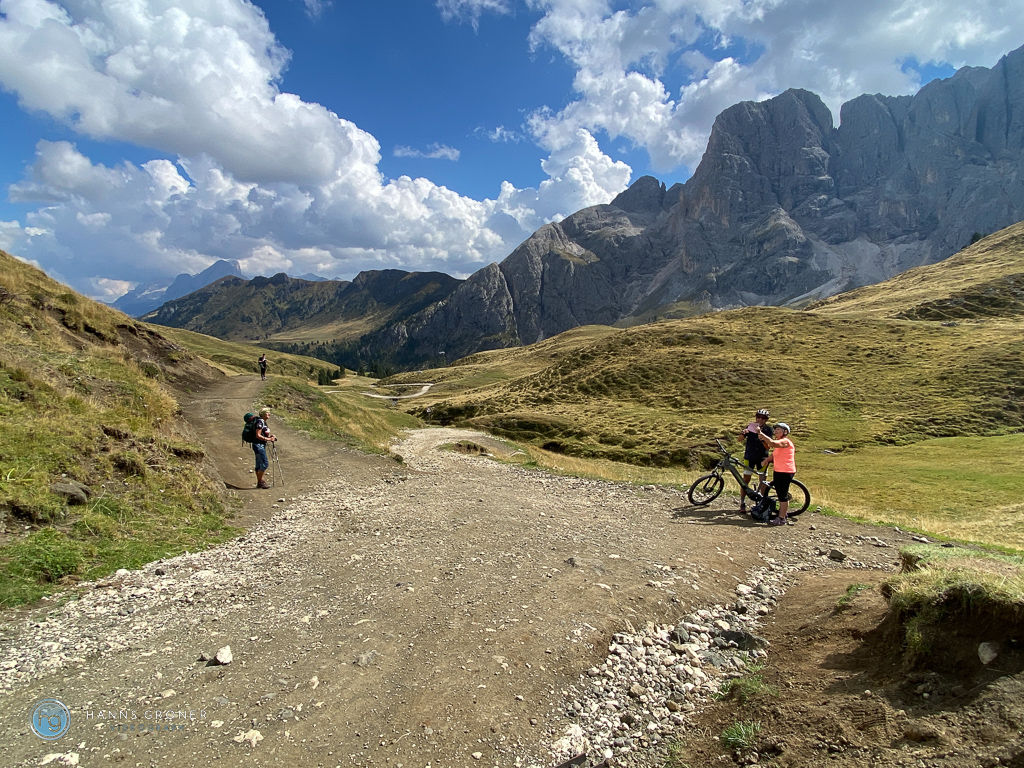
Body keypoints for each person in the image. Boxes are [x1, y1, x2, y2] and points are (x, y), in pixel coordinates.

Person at [759, 422, 796, 526]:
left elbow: (772, 443)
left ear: (785, 432)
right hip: (779, 471)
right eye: (775, 429)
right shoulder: (780, 442)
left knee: (782, 495)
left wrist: (760, 433)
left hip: (786, 471)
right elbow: (775, 453)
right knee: (780, 493)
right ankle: (783, 513)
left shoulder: (785, 442)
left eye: (778, 429)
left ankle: (781, 518)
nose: (775, 431)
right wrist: (767, 460)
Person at [737, 408, 773, 513]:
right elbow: (739, 440)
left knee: (763, 482)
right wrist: (743, 433)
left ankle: (762, 503)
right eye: (758, 417)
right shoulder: (750, 426)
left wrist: (762, 438)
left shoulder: (768, 430)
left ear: (766, 420)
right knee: (745, 481)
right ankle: (742, 503)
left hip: (762, 458)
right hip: (749, 457)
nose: (760, 420)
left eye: (763, 418)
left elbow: (768, 447)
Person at [251, 407, 276, 489]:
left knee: (259, 464)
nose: (269, 414)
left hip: (258, 445)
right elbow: (258, 435)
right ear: (263, 414)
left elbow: (262, 434)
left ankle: (260, 482)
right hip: (259, 445)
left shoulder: (262, 422)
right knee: (264, 464)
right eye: (267, 412)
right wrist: (269, 439)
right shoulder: (260, 422)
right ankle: (260, 481)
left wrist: (270, 437)